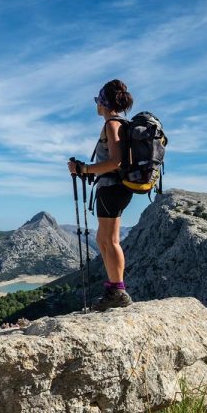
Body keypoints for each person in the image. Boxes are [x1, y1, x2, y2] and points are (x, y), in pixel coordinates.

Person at [67, 79, 134, 311]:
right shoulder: (122, 124)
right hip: (116, 188)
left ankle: (117, 289)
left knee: (110, 240)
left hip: (112, 188)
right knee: (102, 239)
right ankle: (113, 287)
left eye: (98, 100)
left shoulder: (112, 125)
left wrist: (83, 169)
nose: (96, 105)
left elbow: (115, 161)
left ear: (104, 103)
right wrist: (88, 169)